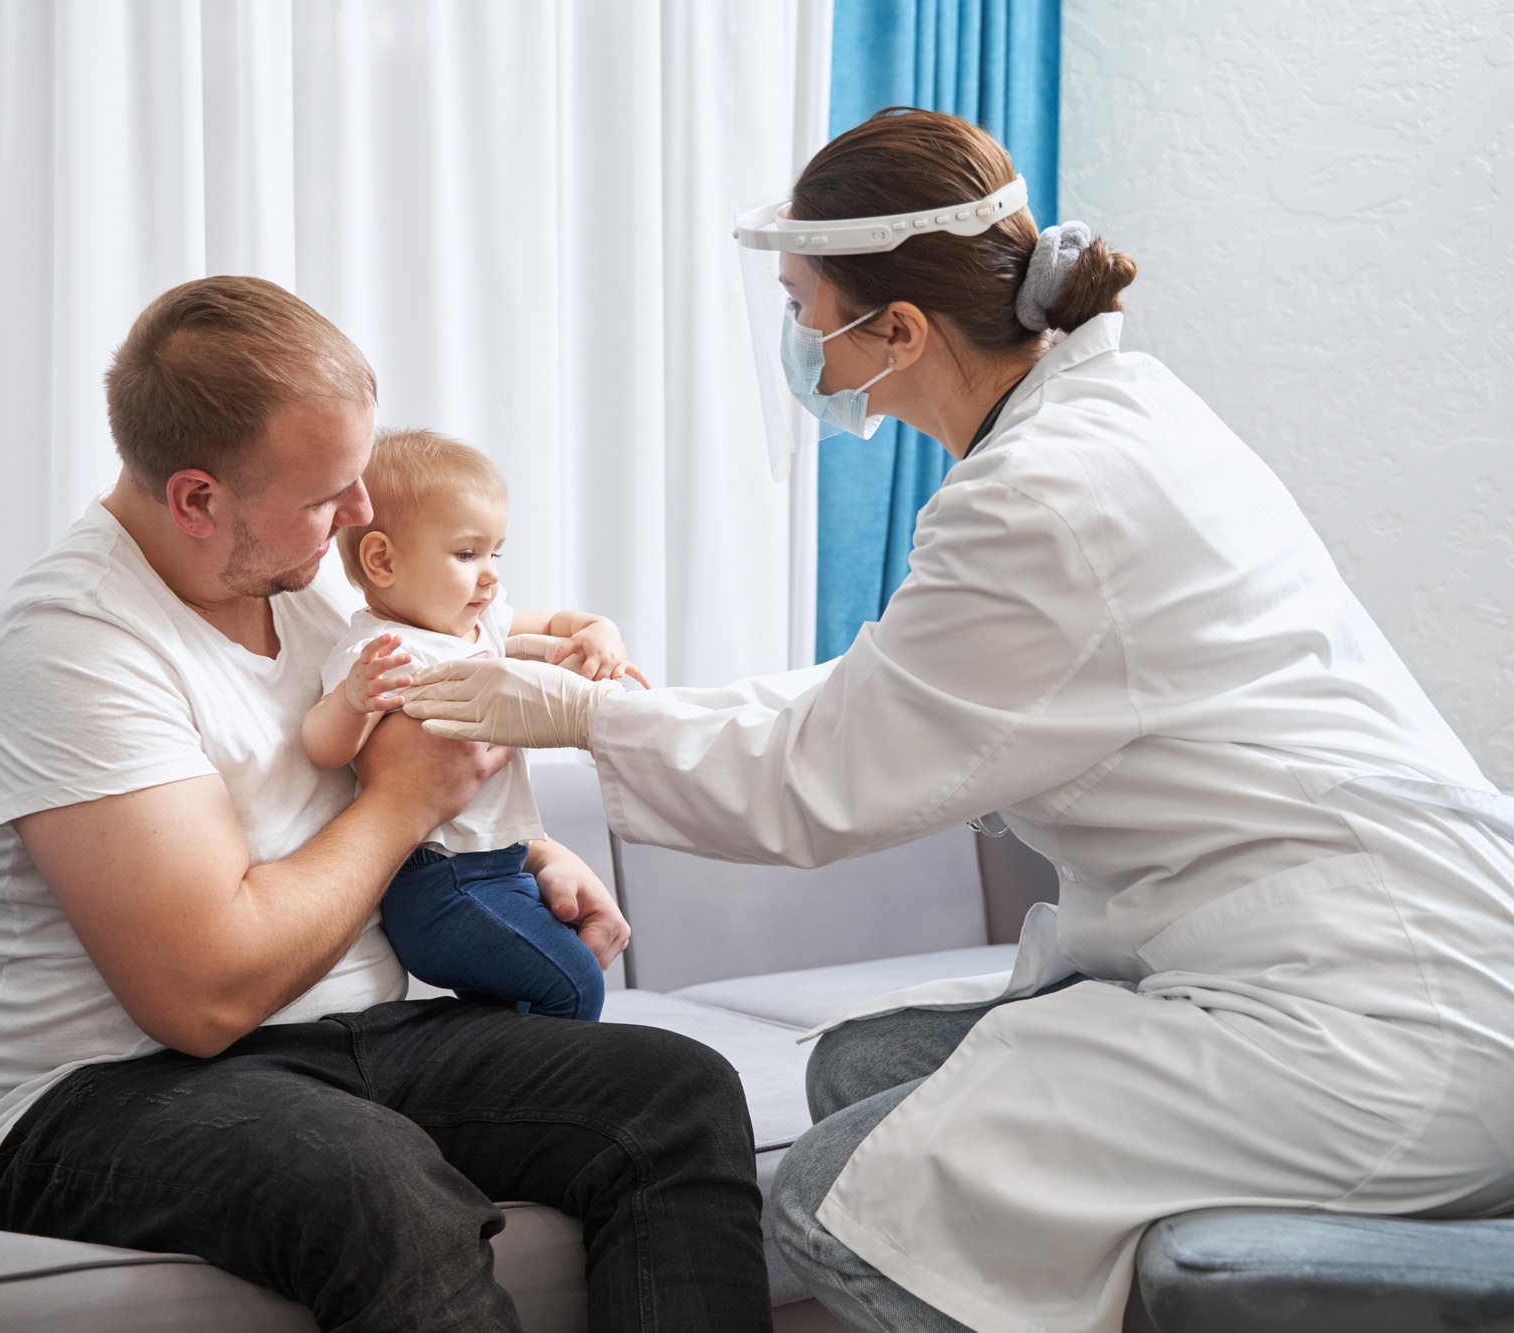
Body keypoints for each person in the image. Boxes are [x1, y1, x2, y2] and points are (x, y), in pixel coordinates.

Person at [400, 107, 1514, 1333]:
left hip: (1367, 1022)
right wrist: (614, 710)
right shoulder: (1114, 419)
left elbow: (824, 775)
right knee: (859, 1069)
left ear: (898, 329)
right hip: (1351, 954)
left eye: (798, 309)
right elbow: (884, 696)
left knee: (829, 1202)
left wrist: (582, 720)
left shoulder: (1043, 497)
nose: (798, 343)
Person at [0, 276, 774, 1331]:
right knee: (374, 1182)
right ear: (198, 499)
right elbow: (200, 998)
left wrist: (520, 846)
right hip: (111, 1092)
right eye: (324, 495)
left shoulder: (298, 590)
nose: (359, 516)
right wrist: (402, 806)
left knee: (677, 1090)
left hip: (362, 1038)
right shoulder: (71, 645)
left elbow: (358, 775)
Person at [304, 427, 647, 1022]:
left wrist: (598, 631)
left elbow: (556, 629)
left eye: (496, 553)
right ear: (381, 559)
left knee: (521, 1000)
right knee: (575, 983)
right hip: (440, 881)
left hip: (501, 864)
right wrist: (352, 703)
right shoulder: (383, 651)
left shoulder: (476, 627)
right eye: (466, 555)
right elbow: (324, 749)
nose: (489, 575)